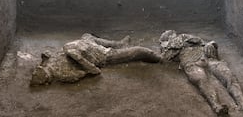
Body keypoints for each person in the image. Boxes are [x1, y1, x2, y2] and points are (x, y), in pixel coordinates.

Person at [159, 30, 243, 116]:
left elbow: (207, 43)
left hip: (207, 57)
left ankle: (242, 102)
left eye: (170, 35)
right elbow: (165, 57)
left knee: (228, 76)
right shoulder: (168, 50)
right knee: (202, 80)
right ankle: (216, 106)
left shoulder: (187, 38)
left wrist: (211, 45)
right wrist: (171, 46)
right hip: (190, 63)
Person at [30, 33, 161, 86]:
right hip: (101, 55)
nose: (46, 69)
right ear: (48, 78)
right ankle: (160, 58)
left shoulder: (48, 62)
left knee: (87, 35)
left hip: (85, 43)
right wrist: (81, 60)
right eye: (45, 72)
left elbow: (47, 54)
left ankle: (118, 43)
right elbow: (86, 72)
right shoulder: (62, 75)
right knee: (140, 51)